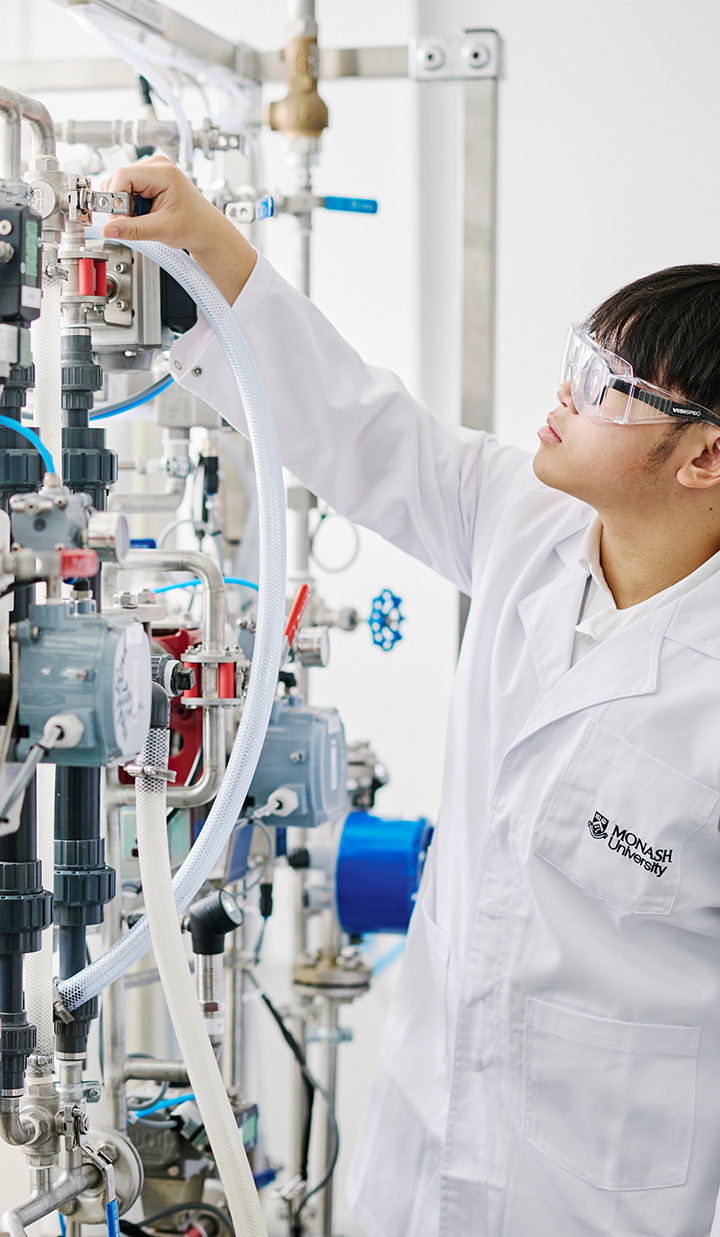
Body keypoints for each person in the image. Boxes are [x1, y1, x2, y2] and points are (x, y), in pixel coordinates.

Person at [101, 156, 720, 1237]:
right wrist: (200, 246)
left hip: (608, 1206)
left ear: (703, 455)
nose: (564, 395)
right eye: (580, 359)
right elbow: (357, 427)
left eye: (608, 385)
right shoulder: (530, 526)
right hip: (423, 1165)